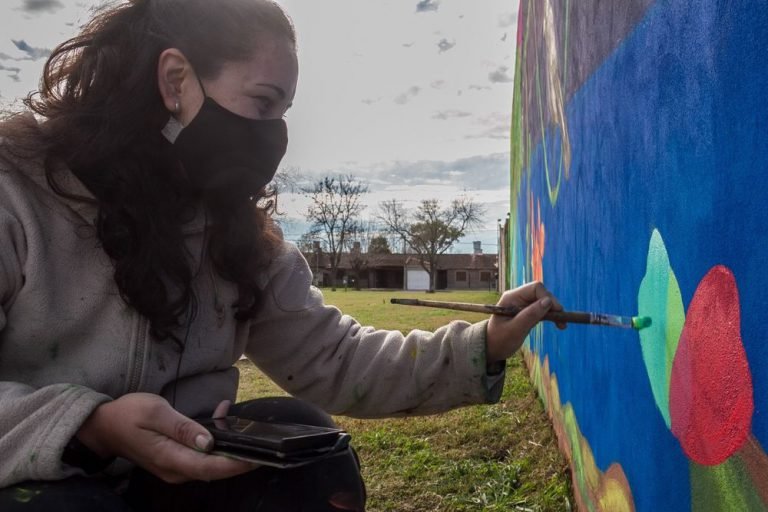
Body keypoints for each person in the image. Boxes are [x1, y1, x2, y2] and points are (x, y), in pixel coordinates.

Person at [0, 0, 564, 510]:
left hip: (175, 476)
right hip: (28, 474)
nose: (274, 135)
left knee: (309, 451)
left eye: (284, 110)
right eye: (263, 102)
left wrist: (484, 345)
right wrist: (87, 424)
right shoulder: (17, 191)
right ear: (176, 80)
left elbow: (336, 358)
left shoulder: (240, 238)